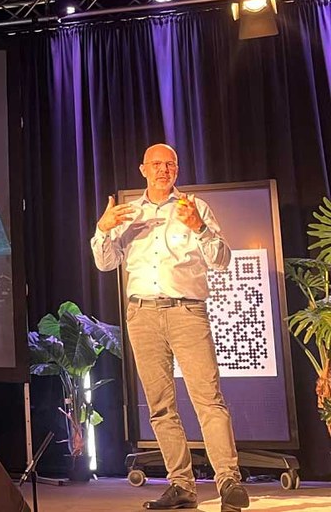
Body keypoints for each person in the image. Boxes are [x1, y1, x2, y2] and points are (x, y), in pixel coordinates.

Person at [91, 143, 249, 511]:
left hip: (186, 312)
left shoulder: (195, 208)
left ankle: (228, 481)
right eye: (157, 164)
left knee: (208, 400)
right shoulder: (128, 214)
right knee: (160, 406)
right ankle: (181, 485)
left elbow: (222, 260)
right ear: (143, 169)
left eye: (170, 164)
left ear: (177, 170)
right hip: (142, 314)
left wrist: (200, 228)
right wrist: (102, 229)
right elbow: (106, 263)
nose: (164, 170)